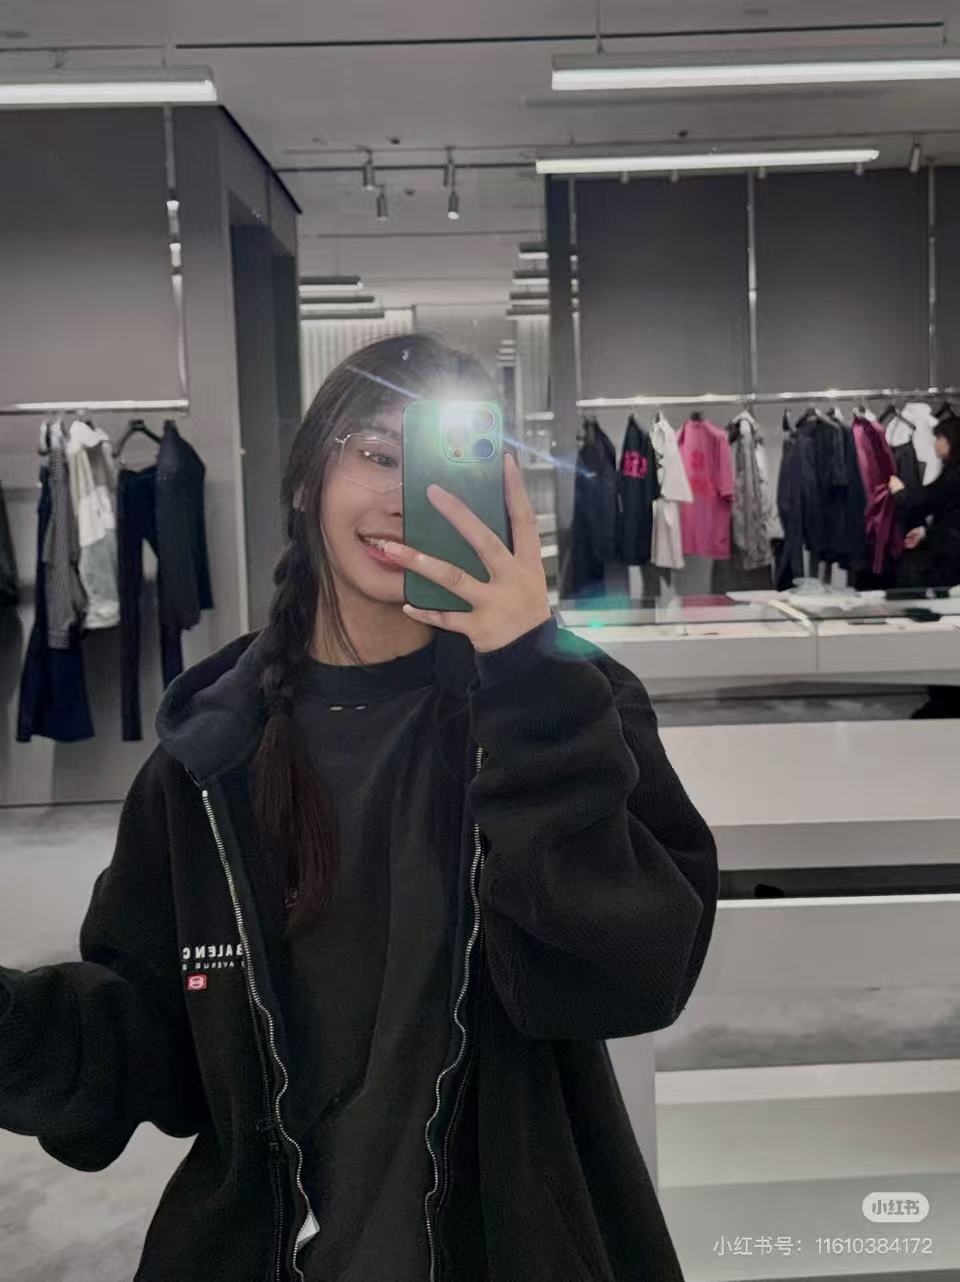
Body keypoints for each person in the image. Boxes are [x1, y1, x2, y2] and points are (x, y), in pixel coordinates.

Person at [0, 334, 718, 1282]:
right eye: (377, 453)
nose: (403, 497)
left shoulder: (569, 702)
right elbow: (156, 1038)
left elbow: (632, 977)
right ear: (307, 481)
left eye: (444, 462)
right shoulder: (211, 746)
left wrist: (529, 676)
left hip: (512, 1238)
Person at [888, 414, 960, 717]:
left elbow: (924, 502)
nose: (935, 444)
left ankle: (946, 701)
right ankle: (945, 698)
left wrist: (899, 492)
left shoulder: (955, 475)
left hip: (950, 564)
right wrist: (927, 532)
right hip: (949, 555)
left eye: (940, 438)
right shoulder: (953, 473)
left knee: (944, 630)